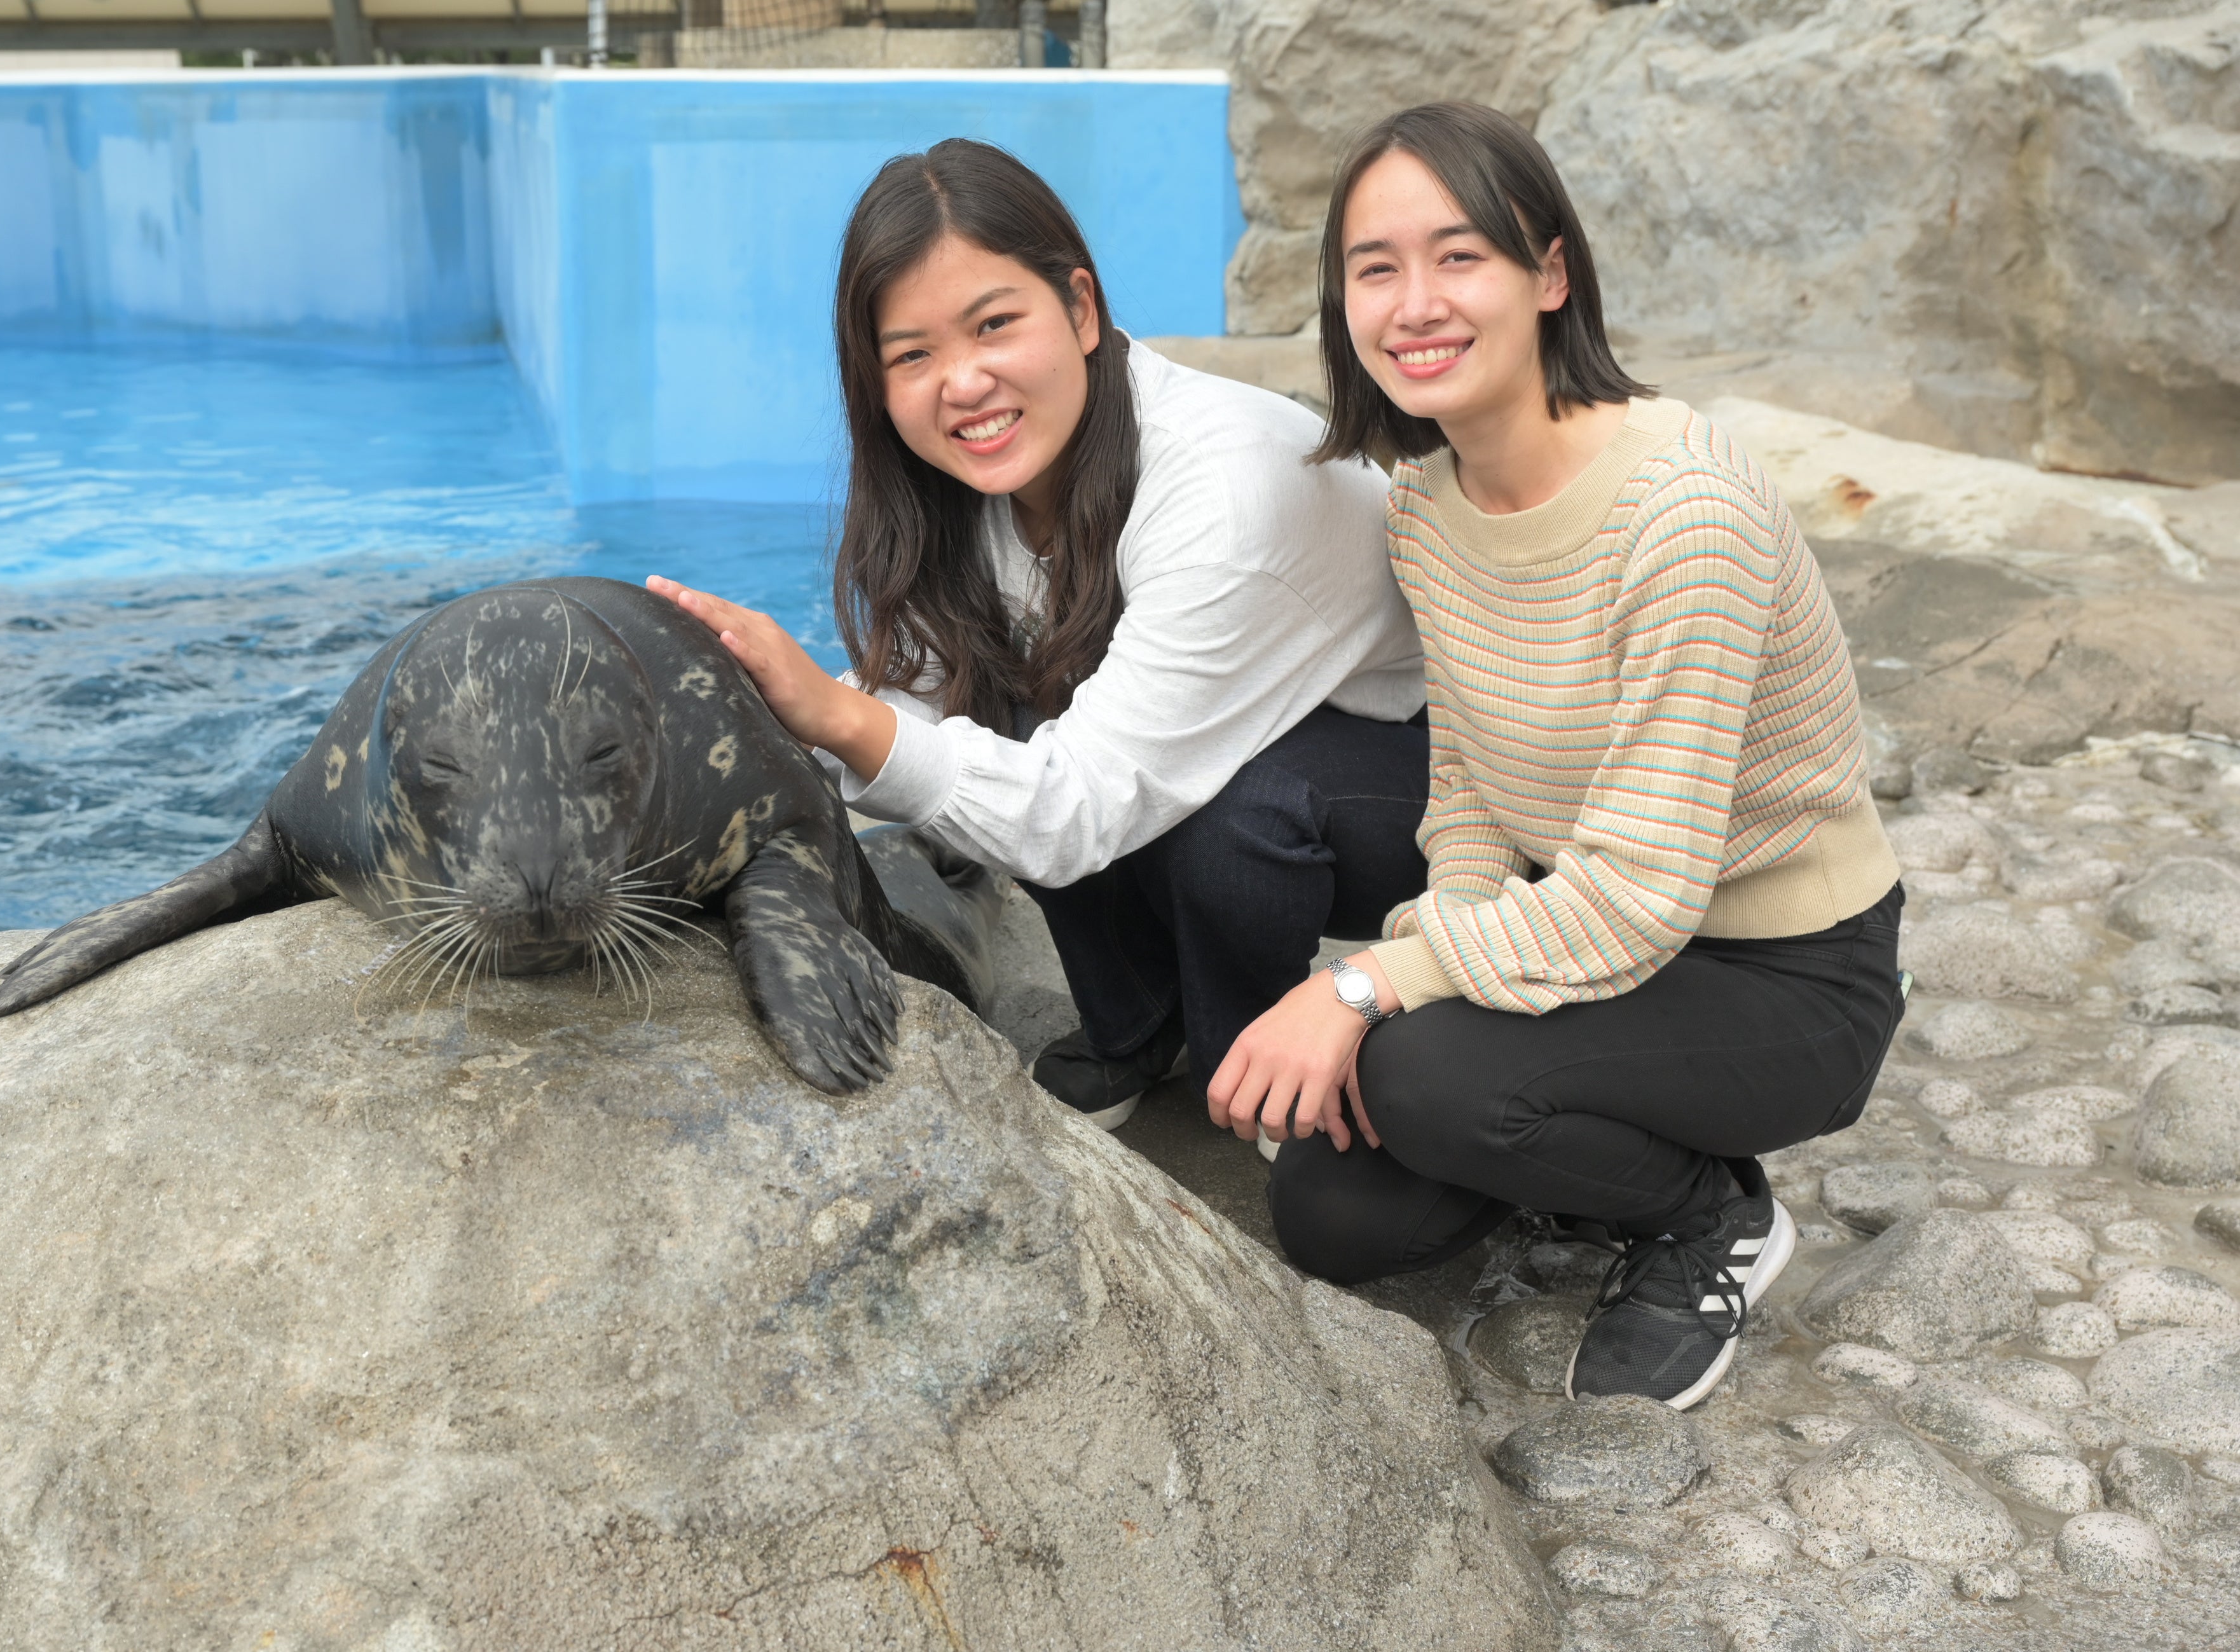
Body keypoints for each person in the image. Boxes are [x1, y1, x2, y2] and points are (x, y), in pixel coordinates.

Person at [1206, 102, 1907, 1411]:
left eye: (1459, 256)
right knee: (1333, 1208)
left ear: (1549, 273)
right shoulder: (1427, 504)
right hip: (1584, 932)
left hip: (1785, 973)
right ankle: (1566, 1144)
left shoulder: (1682, 510)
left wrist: (1367, 992)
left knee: (1413, 1069)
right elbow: (1467, 798)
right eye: (1376, 267)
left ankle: (1714, 1220)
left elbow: (1641, 893)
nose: (1416, 302)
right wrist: (1426, 966)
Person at [648, 138, 1431, 1128]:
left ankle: (1256, 1065)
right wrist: (743, 728)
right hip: (1252, 732)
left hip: (1422, 787)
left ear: (1082, 309)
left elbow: (1074, 807)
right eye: (913, 355)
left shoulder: (1225, 487)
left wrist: (839, 719)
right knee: (1003, 683)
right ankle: (1142, 1025)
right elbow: (924, 695)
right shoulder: (986, 485)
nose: (963, 383)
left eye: (995, 325)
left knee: (1238, 811)